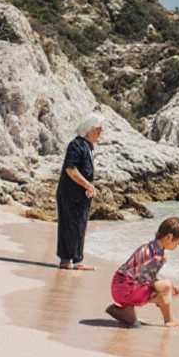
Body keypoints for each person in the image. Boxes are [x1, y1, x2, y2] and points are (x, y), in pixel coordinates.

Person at [105, 217, 179, 329]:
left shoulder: (150, 247)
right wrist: (169, 287)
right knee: (166, 287)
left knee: (131, 319)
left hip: (119, 287)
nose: (178, 246)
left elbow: (145, 275)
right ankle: (169, 321)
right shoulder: (153, 255)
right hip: (126, 289)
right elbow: (145, 279)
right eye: (178, 243)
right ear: (169, 237)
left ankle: (124, 310)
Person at [57, 113, 103, 270]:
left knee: (79, 226)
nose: (100, 132)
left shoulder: (88, 147)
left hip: (80, 194)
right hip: (71, 193)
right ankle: (68, 260)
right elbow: (71, 169)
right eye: (98, 129)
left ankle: (75, 260)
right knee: (70, 225)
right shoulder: (76, 145)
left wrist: (87, 187)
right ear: (89, 130)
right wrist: (87, 185)